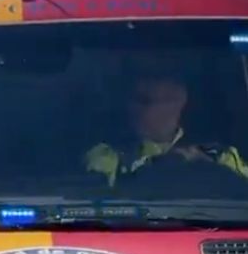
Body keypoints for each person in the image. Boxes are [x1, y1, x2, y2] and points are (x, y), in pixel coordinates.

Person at [86, 72, 248, 186]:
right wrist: (157, 167)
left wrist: (207, 168)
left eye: (149, 101)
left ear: (180, 102)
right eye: (137, 100)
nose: (143, 110)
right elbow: (102, 206)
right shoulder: (107, 156)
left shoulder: (220, 156)